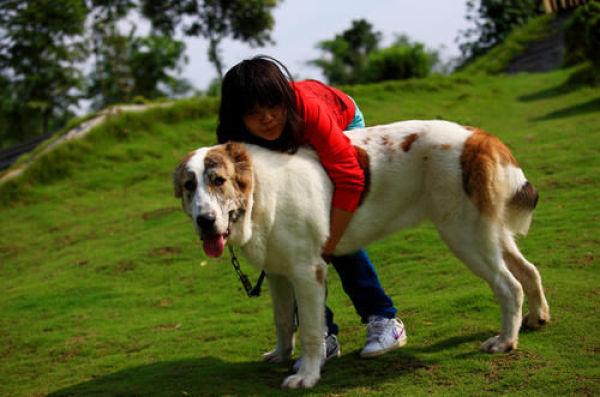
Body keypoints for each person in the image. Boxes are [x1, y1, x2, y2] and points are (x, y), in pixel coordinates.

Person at [216, 55, 406, 369]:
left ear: (285, 99)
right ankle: (322, 335)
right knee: (289, 245)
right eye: (253, 113)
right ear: (238, 117)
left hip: (339, 123)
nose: (266, 118)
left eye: (272, 106)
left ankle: (384, 318)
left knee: (329, 229)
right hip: (288, 142)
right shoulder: (232, 139)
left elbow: (350, 178)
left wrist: (329, 245)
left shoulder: (308, 110)